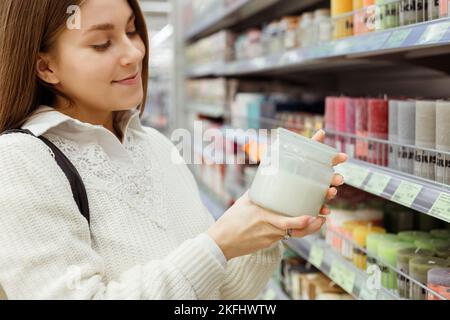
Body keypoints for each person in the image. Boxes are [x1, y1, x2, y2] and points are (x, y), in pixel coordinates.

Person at [0, 0, 347, 299]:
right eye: (103, 43)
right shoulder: (19, 161)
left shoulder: (154, 144)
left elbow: (224, 292)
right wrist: (218, 244)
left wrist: (271, 217)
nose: (135, 52)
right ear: (46, 66)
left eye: (132, 31)